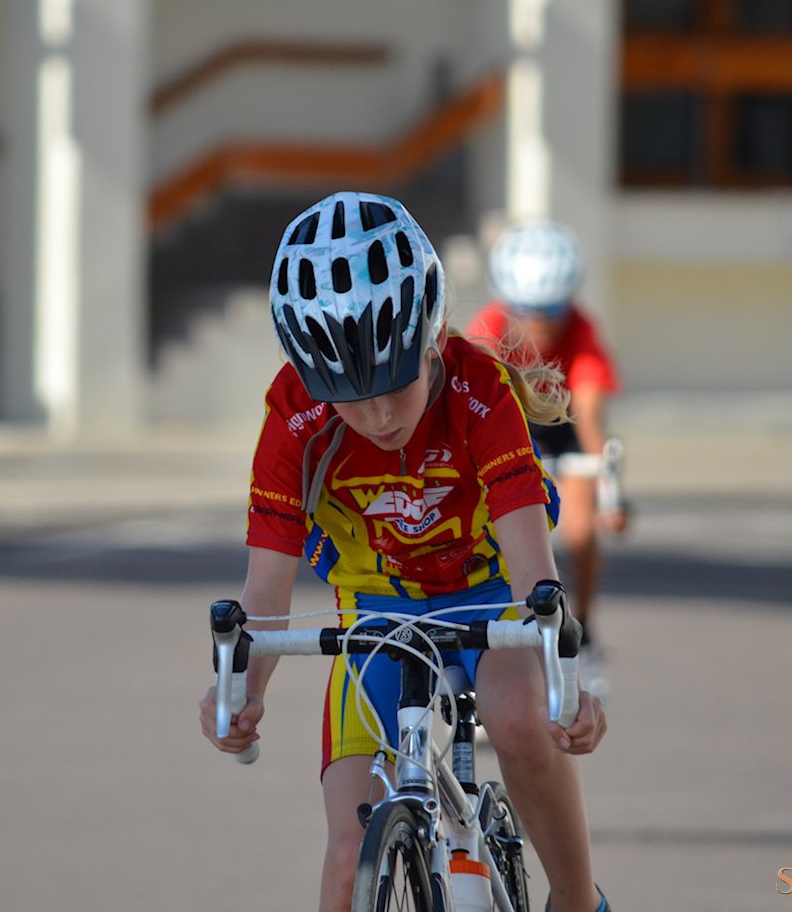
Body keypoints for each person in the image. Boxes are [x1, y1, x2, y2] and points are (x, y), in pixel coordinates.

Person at [198, 192, 610, 912]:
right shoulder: (292, 417)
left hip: (489, 591)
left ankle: (576, 900)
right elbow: (264, 592)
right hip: (375, 605)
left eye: (395, 384)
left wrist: (563, 683)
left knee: (520, 721)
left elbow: (534, 577)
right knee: (347, 857)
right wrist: (242, 691)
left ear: (434, 339)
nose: (379, 415)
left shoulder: (481, 391)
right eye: (349, 398)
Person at [466, 221, 628, 699]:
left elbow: (590, 415)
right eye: (525, 310)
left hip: (564, 424)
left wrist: (609, 493)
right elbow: (467, 409)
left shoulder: (582, 331)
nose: (538, 324)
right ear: (505, 302)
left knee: (580, 533)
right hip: (505, 423)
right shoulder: (487, 330)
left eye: (551, 310)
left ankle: (585, 630)